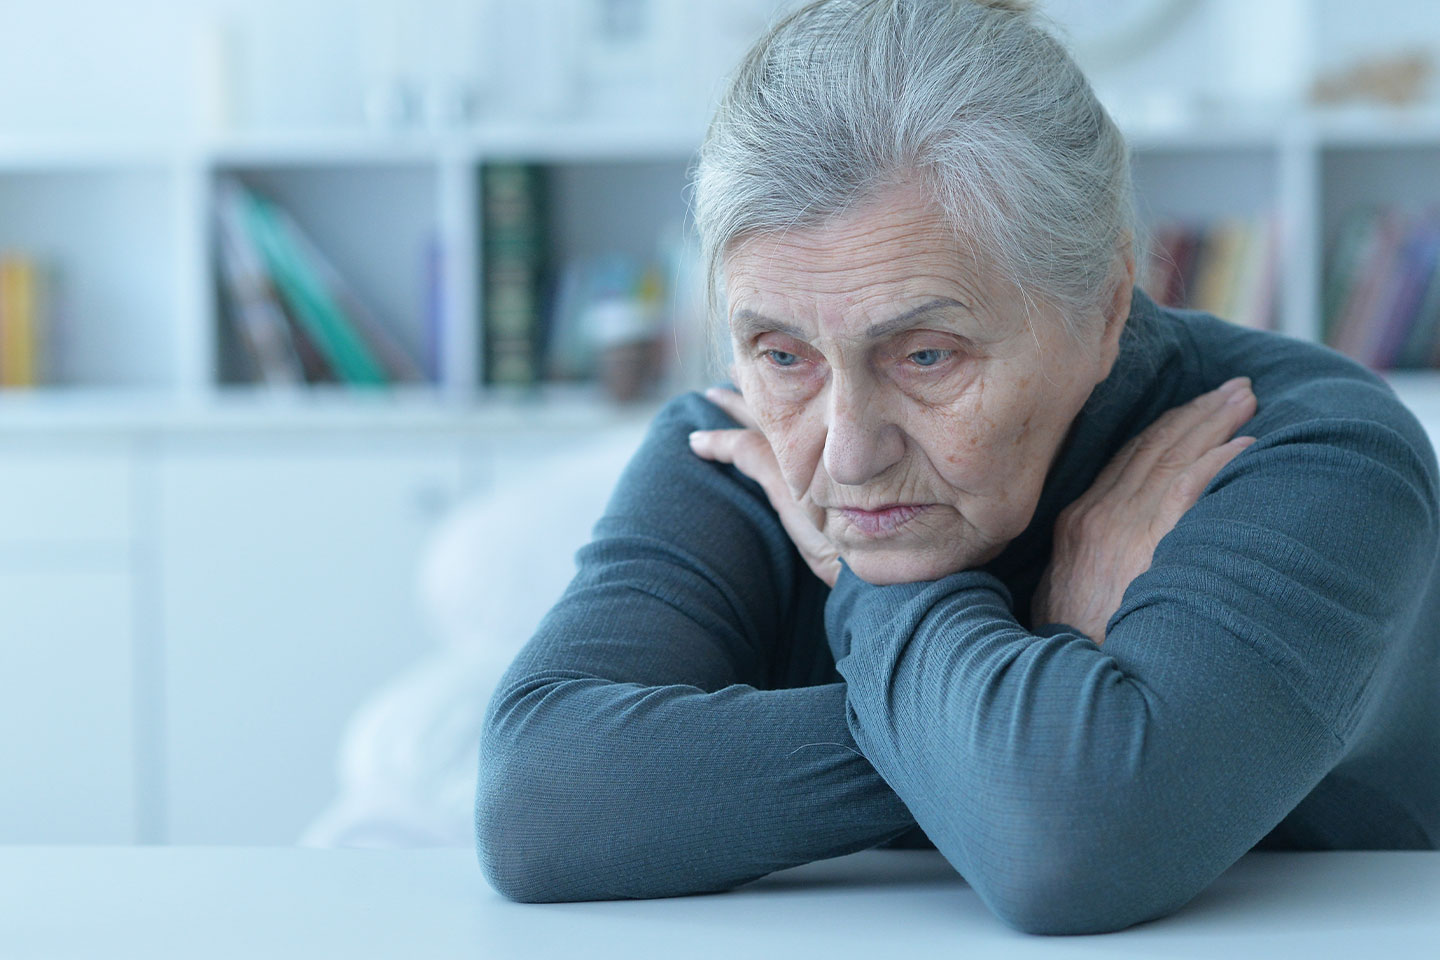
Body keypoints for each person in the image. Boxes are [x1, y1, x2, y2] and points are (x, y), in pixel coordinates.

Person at [474, 0, 1440, 936]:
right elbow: (534, 803)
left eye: (927, 355)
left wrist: (875, 590)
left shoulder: (1314, 454)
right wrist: (1043, 687)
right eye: (783, 354)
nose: (847, 453)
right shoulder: (735, 444)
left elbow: (1067, 839)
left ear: (1104, 307)